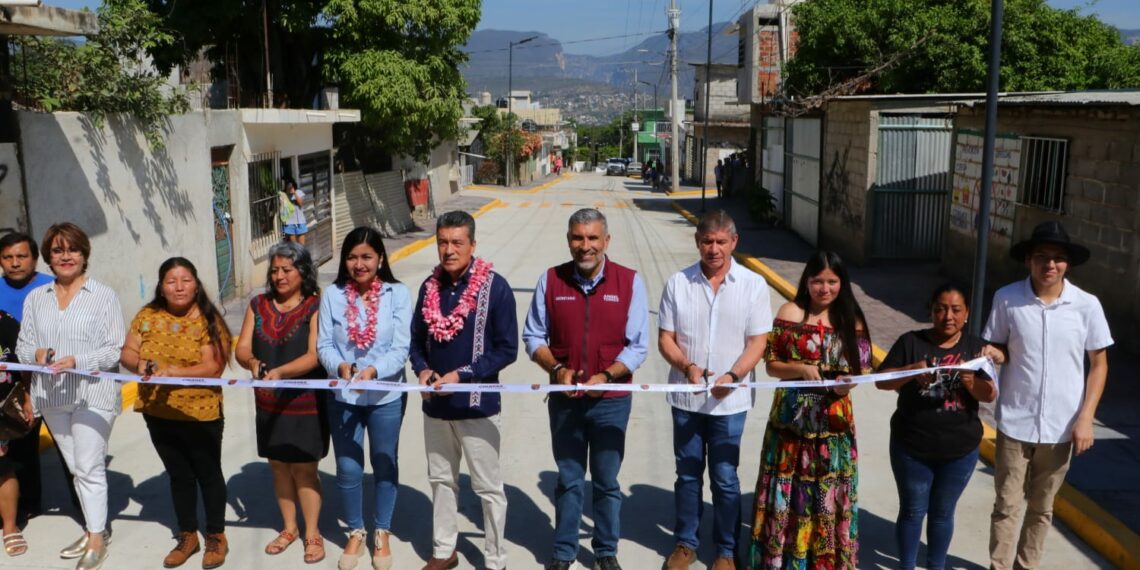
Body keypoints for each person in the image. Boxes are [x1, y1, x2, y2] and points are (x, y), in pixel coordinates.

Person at [523, 208, 650, 570]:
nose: (585, 246)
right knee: (569, 479)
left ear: (606, 241)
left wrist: (607, 376)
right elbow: (533, 335)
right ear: (568, 241)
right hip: (565, 402)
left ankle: (606, 550)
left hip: (611, 401)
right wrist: (557, 368)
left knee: (608, 480)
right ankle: (563, 551)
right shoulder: (551, 280)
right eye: (578, 238)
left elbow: (638, 345)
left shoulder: (630, 282)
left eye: (593, 238)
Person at [982, 221, 1112, 570]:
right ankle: (999, 567)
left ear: (1067, 264)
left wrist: (1085, 419)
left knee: (1041, 508)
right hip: (1014, 420)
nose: (1049, 265)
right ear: (1029, 260)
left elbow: (1098, 364)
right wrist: (995, 354)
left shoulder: (1086, 305)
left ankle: (1027, 566)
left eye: (1058, 258)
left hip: (1060, 427)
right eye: (1042, 256)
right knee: (1006, 505)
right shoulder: (1007, 298)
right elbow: (1000, 346)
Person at [657, 211, 772, 570]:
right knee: (688, 474)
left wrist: (734, 376)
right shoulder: (678, 283)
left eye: (721, 241)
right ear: (697, 242)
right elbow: (666, 339)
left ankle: (725, 550)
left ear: (734, 243)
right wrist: (687, 367)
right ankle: (686, 543)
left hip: (730, 402)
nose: (714, 249)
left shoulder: (753, 285)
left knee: (724, 478)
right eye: (707, 241)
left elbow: (758, 343)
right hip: (686, 398)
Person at [747, 250, 872, 570]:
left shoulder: (852, 320)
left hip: (833, 431)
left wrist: (848, 384)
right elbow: (772, 365)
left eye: (832, 281)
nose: (825, 288)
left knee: (827, 497)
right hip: (790, 428)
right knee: (788, 495)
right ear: (807, 281)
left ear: (842, 283)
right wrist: (801, 369)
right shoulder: (790, 312)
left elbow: (861, 370)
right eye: (818, 281)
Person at [410, 211, 517, 570]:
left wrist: (463, 375)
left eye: (457, 242)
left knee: (488, 488)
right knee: (441, 481)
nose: (449, 250)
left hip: (477, 406)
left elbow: (506, 349)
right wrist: (423, 369)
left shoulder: (496, 287)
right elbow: (416, 342)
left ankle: (496, 559)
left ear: (473, 244)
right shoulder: (429, 288)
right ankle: (444, 551)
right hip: (436, 409)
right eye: (443, 242)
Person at [15, 223, 125, 570]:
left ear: (84, 254)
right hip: (52, 394)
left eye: (72, 249)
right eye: (58, 251)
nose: (66, 256)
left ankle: (96, 538)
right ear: (48, 257)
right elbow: (22, 347)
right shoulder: (37, 298)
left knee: (90, 467)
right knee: (78, 468)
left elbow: (113, 349)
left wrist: (79, 360)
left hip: (93, 393)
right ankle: (94, 527)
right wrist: (38, 355)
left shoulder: (103, 295)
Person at [120, 258, 232, 569]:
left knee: (208, 474)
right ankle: (187, 535)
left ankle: (216, 535)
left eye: (185, 280)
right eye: (171, 281)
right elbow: (128, 352)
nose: (179, 286)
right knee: (180, 476)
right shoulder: (147, 316)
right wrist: (139, 365)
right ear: (161, 286)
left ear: (196, 284)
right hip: (158, 411)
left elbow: (213, 366)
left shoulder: (208, 318)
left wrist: (172, 371)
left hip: (201, 412)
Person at [876, 284, 998, 570]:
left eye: (956, 309)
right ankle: (906, 565)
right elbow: (881, 381)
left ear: (967, 313)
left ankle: (936, 565)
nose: (948, 316)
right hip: (911, 447)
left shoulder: (975, 348)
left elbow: (989, 394)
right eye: (941, 308)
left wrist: (969, 380)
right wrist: (912, 371)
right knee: (912, 510)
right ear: (931, 310)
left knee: (943, 513)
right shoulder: (911, 342)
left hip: (960, 450)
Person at [316, 226, 412, 570]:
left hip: (386, 395)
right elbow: (324, 344)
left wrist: (374, 371)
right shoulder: (333, 295)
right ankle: (356, 530)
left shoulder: (397, 294)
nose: (359, 264)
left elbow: (402, 348)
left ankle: (381, 531)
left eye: (366, 257)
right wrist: (339, 365)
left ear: (380, 259)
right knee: (347, 467)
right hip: (343, 397)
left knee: (385, 462)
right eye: (352, 257)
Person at [235, 241, 329, 564]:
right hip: (268, 404)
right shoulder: (257, 305)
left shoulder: (315, 306)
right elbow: (242, 348)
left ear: (302, 272)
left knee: (304, 469)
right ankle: (289, 528)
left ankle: (312, 533)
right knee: (278, 468)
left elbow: (315, 355)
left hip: (305, 404)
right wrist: (253, 364)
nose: (279, 276)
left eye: (286, 270)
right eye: (274, 270)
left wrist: (281, 372)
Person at [0, 231, 71, 522]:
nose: (15, 263)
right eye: (7, 257)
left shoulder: (52, 287)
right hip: (13, 383)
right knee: (21, 445)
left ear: (34, 258)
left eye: (21, 256)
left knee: (69, 448)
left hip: (55, 378)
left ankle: (86, 507)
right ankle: (28, 504)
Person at [0, 309, 30, 557]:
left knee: (1, 467)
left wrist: (28, 397)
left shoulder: (6, 323)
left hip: (0, 409)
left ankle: (10, 526)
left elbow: (24, 366)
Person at [280, 177, 309, 245]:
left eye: (290, 185)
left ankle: (301, 256)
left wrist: (294, 193)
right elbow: (283, 208)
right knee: (294, 245)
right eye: (287, 186)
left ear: (293, 185)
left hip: (300, 222)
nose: (289, 187)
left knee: (301, 245)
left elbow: (301, 203)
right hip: (289, 223)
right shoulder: (284, 195)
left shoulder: (299, 192)